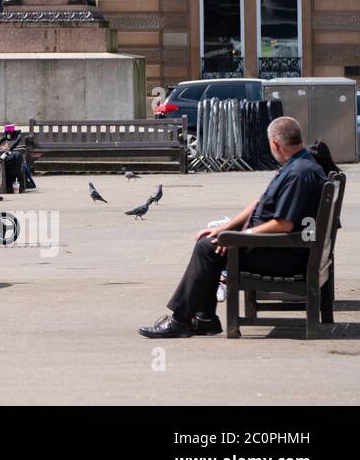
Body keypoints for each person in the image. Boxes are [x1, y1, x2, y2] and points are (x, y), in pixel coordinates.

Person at [139, 116, 326, 338]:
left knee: (207, 249)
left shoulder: (298, 173)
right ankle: (205, 318)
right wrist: (225, 229)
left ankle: (181, 320)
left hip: (285, 255)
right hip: (279, 248)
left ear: (275, 144)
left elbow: (283, 224)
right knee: (209, 242)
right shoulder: (297, 165)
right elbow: (260, 203)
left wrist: (241, 238)